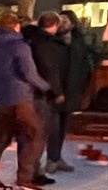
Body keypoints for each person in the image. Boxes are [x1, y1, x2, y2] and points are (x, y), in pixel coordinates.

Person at [0, 12, 51, 190]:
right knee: (37, 133)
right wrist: (46, 87)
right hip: (20, 98)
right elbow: (29, 73)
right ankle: (25, 178)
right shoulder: (20, 46)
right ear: (16, 26)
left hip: (1, 99)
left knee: (3, 138)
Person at [24, 14, 72, 173]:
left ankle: (34, 166)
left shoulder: (35, 39)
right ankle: (32, 168)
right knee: (41, 131)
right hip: (44, 93)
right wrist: (57, 92)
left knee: (42, 130)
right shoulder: (44, 43)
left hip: (39, 91)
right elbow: (50, 69)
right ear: (55, 25)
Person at [55, 10, 96, 156]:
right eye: (59, 21)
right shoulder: (53, 41)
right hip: (57, 90)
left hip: (73, 89)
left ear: (72, 24)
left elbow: (85, 67)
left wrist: (85, 90)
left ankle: (56, 156)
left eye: (65, 21)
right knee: (54, 125)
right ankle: (53, 157)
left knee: (63, 124)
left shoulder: (78, 42)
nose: (62, 24)